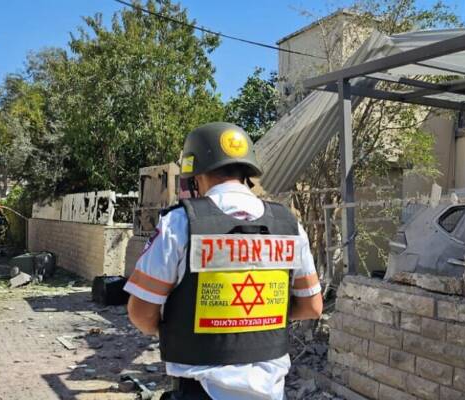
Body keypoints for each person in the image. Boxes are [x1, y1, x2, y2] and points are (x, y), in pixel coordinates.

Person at [124, 122, 323, 400]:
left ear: (195, 175)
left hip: (200, 391)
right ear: (247, 173)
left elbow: (141, 313)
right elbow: (312, 307)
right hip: (271, 391)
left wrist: (186, 328)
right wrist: (253, 319)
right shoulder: (290, 227)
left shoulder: (178, 224)